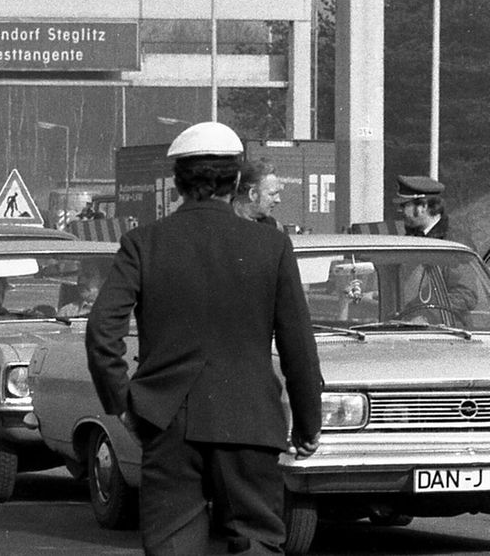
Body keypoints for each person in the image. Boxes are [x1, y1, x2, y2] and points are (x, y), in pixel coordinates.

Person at [85, 121, 323, 556]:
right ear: (235, 182)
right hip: (250, 422)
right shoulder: (272, 247)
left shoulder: (143, 244)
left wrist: (126, 407)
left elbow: (102, 333)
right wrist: (308, 423)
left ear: (178, 182)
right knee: (256, 543)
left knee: (172, 546)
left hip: (167, 422)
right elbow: (299, 349)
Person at [394, 175, 479, 326]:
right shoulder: (413, 238)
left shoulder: (453, 243)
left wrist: (427, 317)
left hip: (448, 333)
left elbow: (465, 294)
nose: (401, 211)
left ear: (423, 207)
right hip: (410, 328)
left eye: (404, 206)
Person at [233, 157, 285, 230]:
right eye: (272, 194)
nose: (278, 200)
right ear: (252, 194)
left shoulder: (273, 227)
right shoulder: (221, 224)